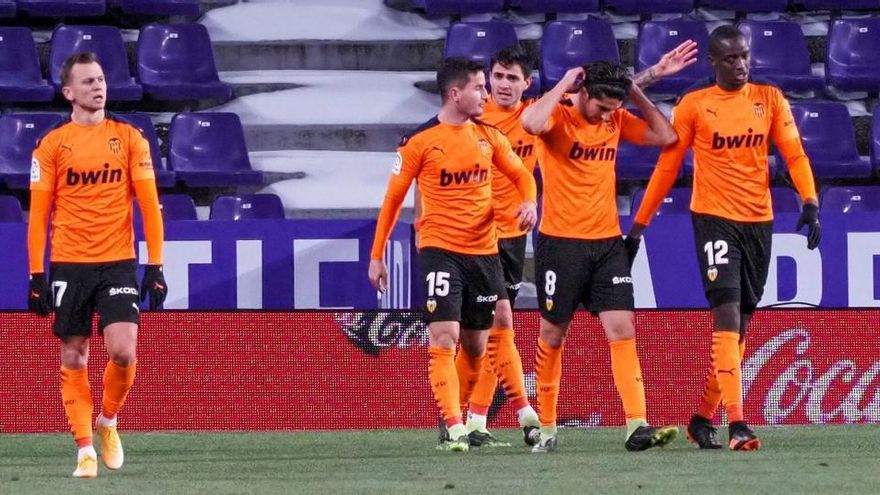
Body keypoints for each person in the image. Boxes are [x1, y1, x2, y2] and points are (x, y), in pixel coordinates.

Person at [463, 41, 700, 448]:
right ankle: (534, 426)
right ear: (581, 93)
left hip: (603, 242)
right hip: (537, 240)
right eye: (498, 76)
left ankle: (636, 424)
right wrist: (566, 87)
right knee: (539, 333)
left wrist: (638, 85)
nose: (607, 115)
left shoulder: (606, 116)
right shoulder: (544, 114)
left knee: (621, 328)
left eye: (512, 78)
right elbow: (534, 125)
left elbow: (664, 134)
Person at [627, 25, 820, 451]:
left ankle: (701, 419)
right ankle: (739, 424)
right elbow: (666, 168)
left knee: (742, 327)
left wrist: (810, 200)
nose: (741, 65)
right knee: (727, 315)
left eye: (745, 56)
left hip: (758, 222)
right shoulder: (695, 103)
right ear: (714, 61)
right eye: (731, 59)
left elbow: (794, 153)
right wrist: (638, 227)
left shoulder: (769, 98)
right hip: (713, 219)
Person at [368, 57, 538, 452]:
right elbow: (392, 201)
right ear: (455, 93)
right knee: (445, 337)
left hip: (485, 250)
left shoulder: (489, 136)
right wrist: (377, 256)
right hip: (440, 251)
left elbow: (523, 176)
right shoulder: (418, 142)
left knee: (481, 343)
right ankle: (456, 426)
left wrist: (529, 202)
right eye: (480, 87)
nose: (486, 94)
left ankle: (468, 420)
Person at [27, 52, 168, 478]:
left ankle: (108, 420)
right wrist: (36, 275)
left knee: (123, 353)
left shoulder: (129, 138)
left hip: (118, 261)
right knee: (74, 355)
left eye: (101, 79)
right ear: (68, 92)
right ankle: (84, 448)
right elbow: (38, 215)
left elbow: (149, 206)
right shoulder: (52, 145)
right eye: (87, 81)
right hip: (69, 262)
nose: (98, 86)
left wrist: (156, 264)